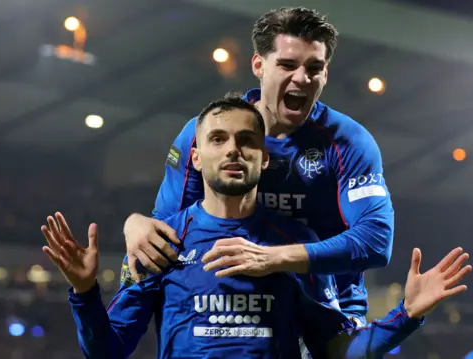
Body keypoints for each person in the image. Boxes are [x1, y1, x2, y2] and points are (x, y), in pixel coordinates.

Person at [41, 94, 472, 359]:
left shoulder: (298, 245)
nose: (233, 150)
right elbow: (107, 351)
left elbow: (337, 352)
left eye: (247, 141)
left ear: (264, 158)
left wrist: (406, 316)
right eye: (218, 139)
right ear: (195, 158)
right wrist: (83, 293)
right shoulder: (161, 242)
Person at [123, 6, 393, 327]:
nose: (302, 78)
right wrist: (135, 224)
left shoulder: (349, 141)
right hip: (233, 304)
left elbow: (376, 240)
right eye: (287, 65)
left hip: (329, 310)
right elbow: (169, 231)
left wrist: (275, 258)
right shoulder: (204, 134)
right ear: (258, 65)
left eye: (314, 67)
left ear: (326, 73)